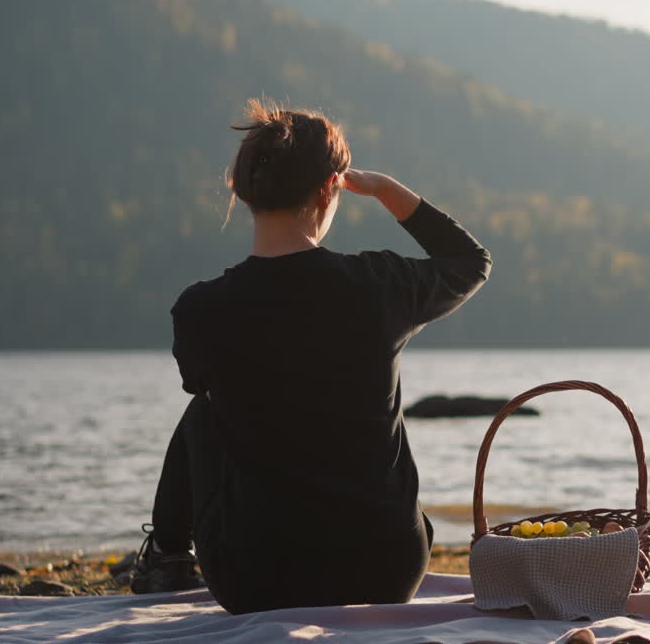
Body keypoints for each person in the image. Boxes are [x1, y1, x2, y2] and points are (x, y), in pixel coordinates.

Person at [127, 99, 491, 614]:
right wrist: (386, 190)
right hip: (386, 573)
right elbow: (471, 261)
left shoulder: (201, 309)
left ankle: (166, 559)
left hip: (256, 583)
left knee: (204, 411)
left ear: (241, 188)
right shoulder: (377, 285)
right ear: (330, 188)